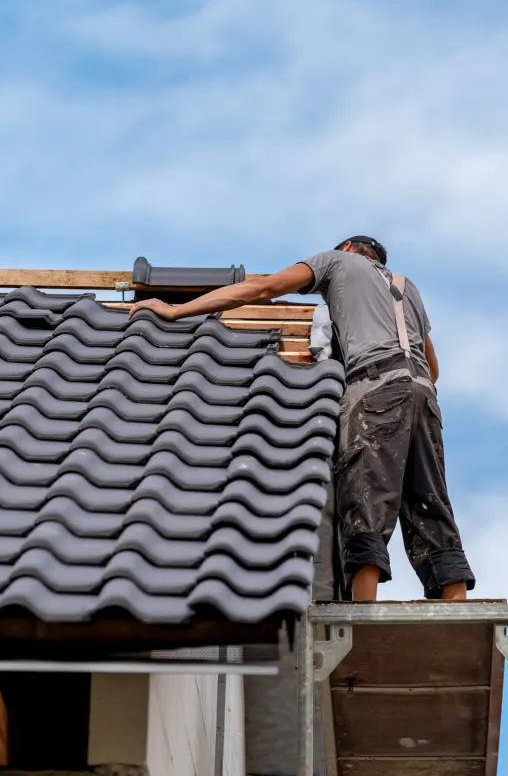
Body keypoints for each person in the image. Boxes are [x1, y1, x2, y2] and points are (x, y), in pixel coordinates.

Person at [129, 236, 476, 602]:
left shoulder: (335, 262)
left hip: (375, 388)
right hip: (423, 395)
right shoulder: (407, 288)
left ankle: (363, 607)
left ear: (347, 250)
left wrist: (174, 310)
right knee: (429, 499)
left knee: (367, 496)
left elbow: (262, 288)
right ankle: (454, 599)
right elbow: (433, 368)